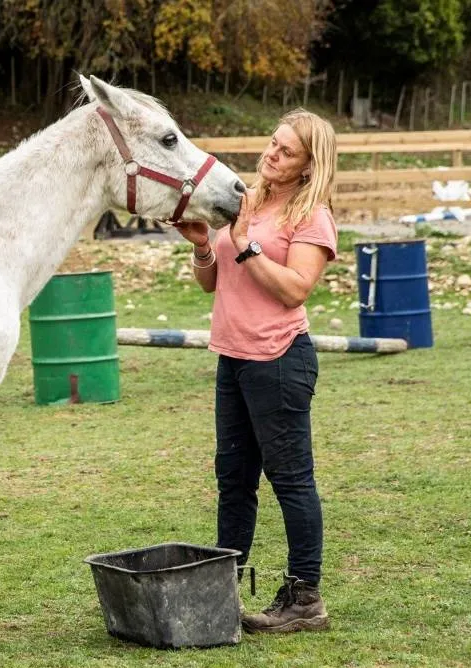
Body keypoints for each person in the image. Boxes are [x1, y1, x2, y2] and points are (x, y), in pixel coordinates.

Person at [174, 108, 338, 633]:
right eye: (273, 142)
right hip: (234, 359)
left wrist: (246, 245)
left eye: (286, 151)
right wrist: (205, 245)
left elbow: (295, 288)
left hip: (280, 359)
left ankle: (305, 598)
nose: (271, 154)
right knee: (234, 482)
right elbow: (211, 283)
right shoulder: (244, 202)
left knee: (291, 480)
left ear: (309, 166)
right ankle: (224, 590)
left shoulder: (311, 216)